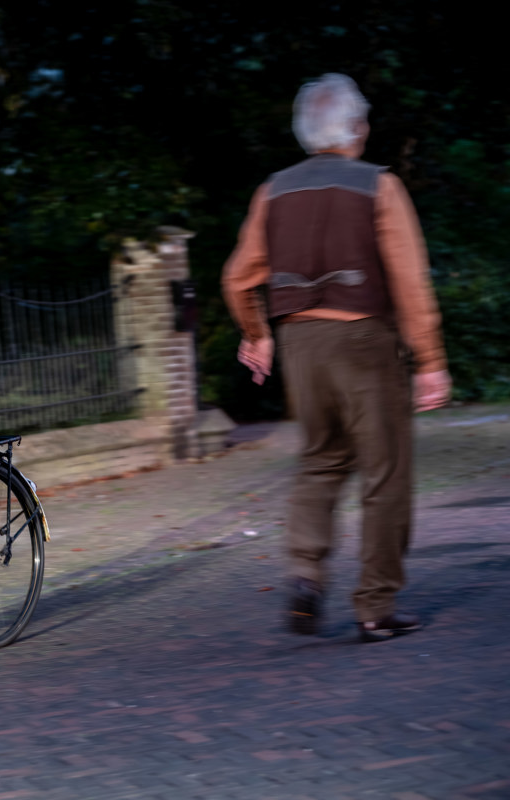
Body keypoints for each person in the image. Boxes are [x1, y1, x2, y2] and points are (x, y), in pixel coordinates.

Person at [221, 74, 451, 643]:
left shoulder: (272, 191)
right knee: (385, 471)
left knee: (321, 461)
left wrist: (258, 332)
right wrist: (429, 358)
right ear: (356, 127)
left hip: (301, 342)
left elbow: (236, 278)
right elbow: (409, 279)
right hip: (365, 341)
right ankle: (375, 605)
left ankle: (305, 576)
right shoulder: (379, 185)